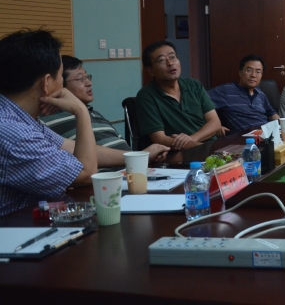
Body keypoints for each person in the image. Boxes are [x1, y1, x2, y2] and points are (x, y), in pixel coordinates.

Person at [0, 30, 97, 216]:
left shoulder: (17, 116)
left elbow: (71, 147)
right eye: (60, 76)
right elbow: (86, 173)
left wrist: (136, 155)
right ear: (46, 82)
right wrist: (81, 111)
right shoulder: (15, 133)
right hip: (19, 229)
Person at [41, 56, 169, 167]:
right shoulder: (46, 120)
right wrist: (140, 156)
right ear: (60, 85)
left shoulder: (94, 113)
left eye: (87, 77)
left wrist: (142, 157)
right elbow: (81, 156)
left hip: (134, 170)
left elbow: (123, 147)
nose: (89, 83)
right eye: (80, 79)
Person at [136, 41, 223, 151]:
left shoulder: (194, 85)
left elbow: (215, 122)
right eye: (161, 60)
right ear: (150, 70)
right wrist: (196, 147)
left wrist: (192, 139)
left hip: (208, 146)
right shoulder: (146, 96)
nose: (170, 63)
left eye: (172, 57)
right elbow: (160, 139)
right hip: (179, 153)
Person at [208, 54, 280, 133]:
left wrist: (282, 126)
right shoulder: (226, 91)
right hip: (246, 138)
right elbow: (200, 103)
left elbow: (272, 114)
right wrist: (216, 126)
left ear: (261, 75)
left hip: (267, 134)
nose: (253, 75)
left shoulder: (260, 93)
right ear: (240, 73)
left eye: (258, 72)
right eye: (249, 70)